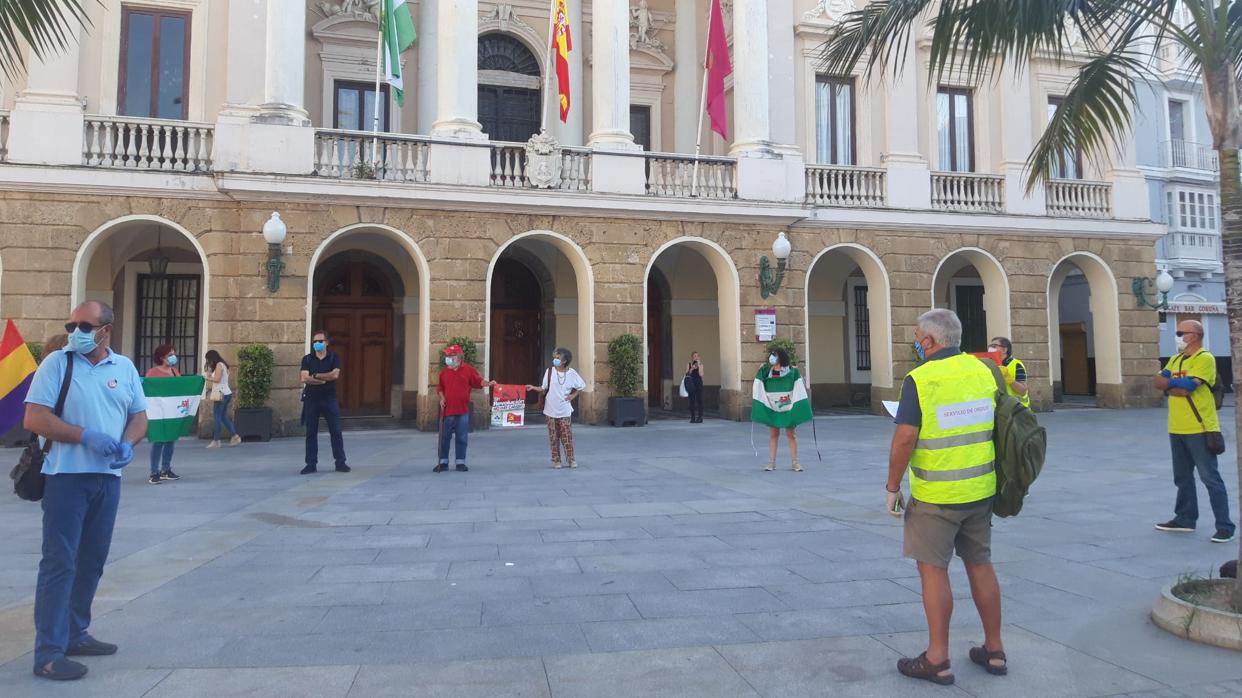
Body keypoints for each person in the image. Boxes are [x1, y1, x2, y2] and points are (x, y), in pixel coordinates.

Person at [24, 301, 147, 681]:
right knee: (60, 562)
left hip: (107, 480)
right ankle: (48, 652)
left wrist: (128, 443)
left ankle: (76, 633)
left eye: (85, 325)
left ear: (106, 330)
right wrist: (84, 436)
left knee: (92, 561)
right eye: (72, 323)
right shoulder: (57, 364)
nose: (76, 330)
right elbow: (35, 417)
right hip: (66, 478)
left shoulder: (123, 367)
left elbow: (139, 416)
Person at [887, 309, 1005, 685]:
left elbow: (905, 437)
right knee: (980, 564)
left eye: (918, 336)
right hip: (980, 488)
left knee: (933, 570)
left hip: (936, 494)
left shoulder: (920, 379)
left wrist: (892, 486)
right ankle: (994, 650)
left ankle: (937, 657)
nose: (916, 342)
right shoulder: (984, 371)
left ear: (929, 341)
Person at [1152, 319, 1235, 543]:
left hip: (1200, 427)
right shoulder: (1176, 359)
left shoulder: (1205, 358)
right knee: (1182, 477)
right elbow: (1157, 381)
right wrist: (1173, 387)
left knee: (1210, 477)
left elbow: (1189, 387)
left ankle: (1225, 525)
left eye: (1182, 332)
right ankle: (1185, 519)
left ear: (1195, 335)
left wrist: (1172, 385)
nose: (1178, 335)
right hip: (1176, 427)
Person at [434, 344, 495, 472]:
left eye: (451, 355)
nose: (448, 357)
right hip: (448, 410)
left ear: (459, 357)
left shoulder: (468, 370)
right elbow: (440, 388)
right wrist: (442, 398)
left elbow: (478, 381)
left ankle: (460, 462)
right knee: (445, 437)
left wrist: (488, 384)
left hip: (462, 410)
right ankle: (443, 462)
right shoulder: (444, 372)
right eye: (447, 355)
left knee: (462, 437)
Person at [752, 347, 812, 472]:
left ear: (781, 357)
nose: (772, 357)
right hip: (773, 408)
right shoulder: (766, 371)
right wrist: (760, 370)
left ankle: (795, 463)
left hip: (788, 408)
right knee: (773, 435)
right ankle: (772, 463)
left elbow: (798, 386)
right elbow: (759, 383)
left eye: (774, 354)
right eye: (771, 354)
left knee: (791, 435)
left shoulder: (792, 372)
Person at [527, 347, 586, 469]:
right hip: (550, 410)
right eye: (554, 357)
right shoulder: (549, 371)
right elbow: (543, 388)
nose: (555, 360)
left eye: (558, 358)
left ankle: (571, 459)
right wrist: (533, 387)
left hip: (564, 410)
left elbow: (581, 386)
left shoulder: (572, 373)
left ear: (564, 361)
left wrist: (572, 395)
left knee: (566, 436)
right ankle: (556, 460)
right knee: (553, 437)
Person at [300, 330, 349, 474]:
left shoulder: (334, 357)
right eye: (315, 342)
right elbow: (303, 378)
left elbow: (335, 375)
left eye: (320, 341)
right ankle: (310, 464)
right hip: (311, 400)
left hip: (329, 399)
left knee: (335, 431)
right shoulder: (307, 359)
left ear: (327, 342)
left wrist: (315, 376)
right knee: (310, 433)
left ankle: (340, 462)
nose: (317, 344)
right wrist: (322, 380)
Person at [143, 344, 182, 485]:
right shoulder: (153, 373)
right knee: (158, 441)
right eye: (169, 354)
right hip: (158, 413)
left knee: (170, 441)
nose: (173, 357)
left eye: (173, 353)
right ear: (161, 357)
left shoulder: (175, 372)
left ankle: (166, 469)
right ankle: (154, 472)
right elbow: (148, 390)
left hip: (172, 412)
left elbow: (180, 391)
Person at [203, 350, 241, 448]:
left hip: (221, 394)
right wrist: (209, 374)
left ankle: (216, 441)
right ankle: (235, 436)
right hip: (226, 393)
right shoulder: (223, 365)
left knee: (217, 418)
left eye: (208, 359)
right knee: (223, 416)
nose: (209, 362)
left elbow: (217, 379)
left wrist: (206, 378)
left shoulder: (219, 365)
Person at [988, 336, 1029, 408]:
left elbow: (1023, 391)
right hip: (998, 407)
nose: (990, 349)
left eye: (994, 346)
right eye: (990, 346)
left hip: (1016, 409)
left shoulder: (1016, 365)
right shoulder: (991, 365)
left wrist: (1009, 379)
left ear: (1004, 350)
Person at [685, 352, 705, 423]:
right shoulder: (689, 364)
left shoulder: (701, 365)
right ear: (692, 358)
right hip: (691, 384)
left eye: (698, 356)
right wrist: (692, 368)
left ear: (699, 357)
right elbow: (687, 374)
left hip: (699, 384)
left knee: (699, 401)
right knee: (692, 401)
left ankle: (700, 417)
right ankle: (692, 417)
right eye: (695, 356)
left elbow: (701, 374)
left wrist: (699, 365)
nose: (696, 357)